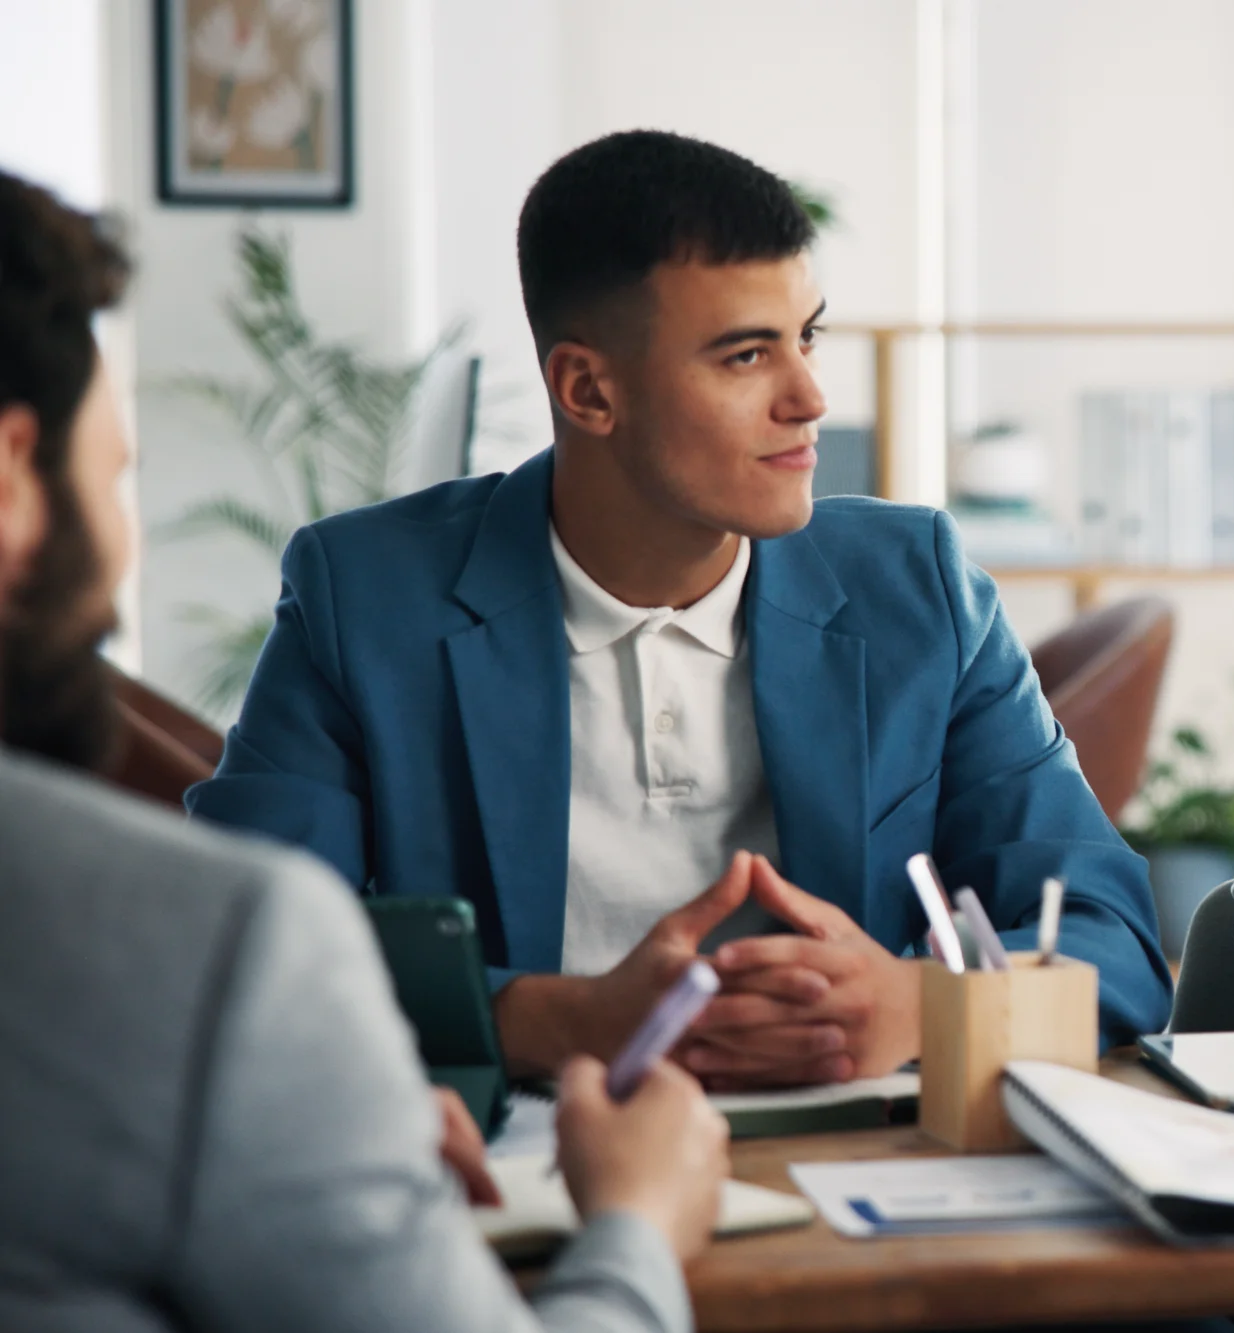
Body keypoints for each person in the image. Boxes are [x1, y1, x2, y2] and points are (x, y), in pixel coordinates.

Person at [186, 129, 1170, 1087]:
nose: (810, 396)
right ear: (587, 389)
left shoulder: (915, 586)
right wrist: (554, 1020)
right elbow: (237, 940)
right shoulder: (366, 597)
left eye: (806, 337)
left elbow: (1111, 938)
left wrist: (917, 1005)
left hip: (860, 1168)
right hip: (537, 1161)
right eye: (746, 356)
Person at [0, 168, 728, 1333]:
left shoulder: (917, 584)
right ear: (11, 480)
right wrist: (636, 1222)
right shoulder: (207, 948)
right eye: (118, 474)